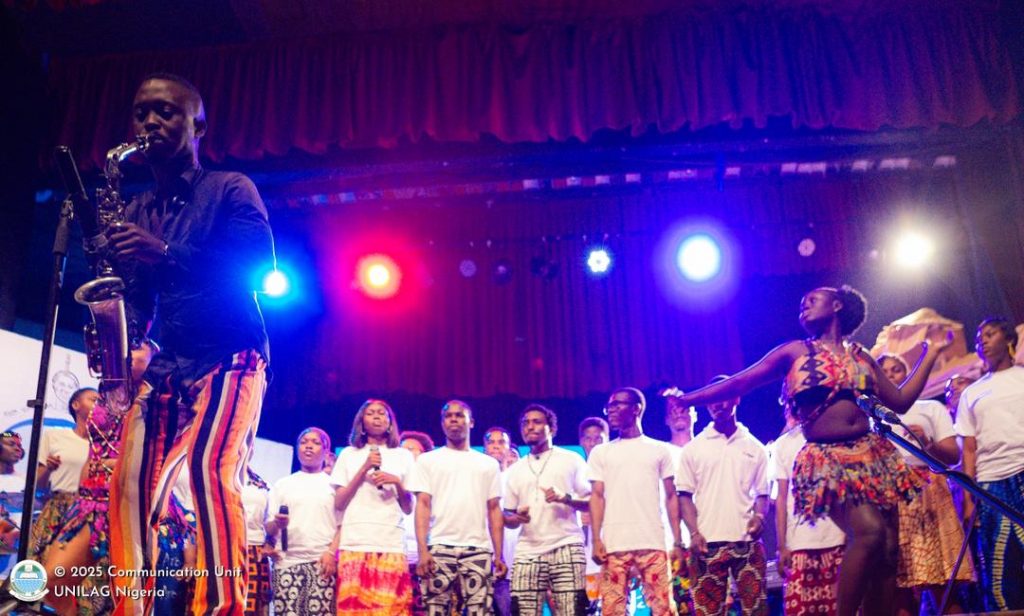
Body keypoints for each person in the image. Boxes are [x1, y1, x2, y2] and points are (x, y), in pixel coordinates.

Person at [669, 285, 949, 616]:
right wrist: (689, 399)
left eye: (812, 300)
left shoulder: (860, 356)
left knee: (888, 551)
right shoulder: (795, 352)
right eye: (803, 303)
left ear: (837, 305)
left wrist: (931, 353)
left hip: (874, 458)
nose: (804, 305)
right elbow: (741, 381)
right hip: (827, 459)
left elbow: (900, 401)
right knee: (870, 533)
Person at [106, 72, 274, 616]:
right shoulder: (135, 209)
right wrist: (121, 336)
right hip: (167, 363)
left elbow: (257, 265)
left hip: (231, 353)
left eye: (167, 112)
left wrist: (163, 251)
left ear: (197, 126)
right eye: (142, 112)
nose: (151, 122)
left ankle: (223, 608)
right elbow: (137, 297)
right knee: (128, 487)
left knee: (210, 471)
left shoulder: (229, 187)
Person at [41, 340, 156, 616]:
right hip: (91, 504)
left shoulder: (159, 397)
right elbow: (95, 449)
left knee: (127, 600)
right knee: (52, 581)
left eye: (138, 347)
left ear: (155, 358)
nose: (128, 350)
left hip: (132, 503)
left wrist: (122, 463)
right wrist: (80, 495)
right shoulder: (107, 391)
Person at [877, 354, 974, 615]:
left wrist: (927, 443)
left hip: (928, 492)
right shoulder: (872, 417)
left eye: (896, 369)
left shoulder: (930, 408)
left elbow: (953, 455)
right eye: (884, 371)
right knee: (898, 587)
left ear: (908, 374)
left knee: (941, 582)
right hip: (889, 497)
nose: (890, 375)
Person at [677, 376, 770, 616]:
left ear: (736, 398)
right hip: (706, 544)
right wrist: (694, 533)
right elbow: (684, 495)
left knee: (756, 612)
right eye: (712, 399)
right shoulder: (693, 449)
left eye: (724, 397)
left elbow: (763, 493)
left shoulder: (755, 447)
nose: (718, 404)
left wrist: (760, 516)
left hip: (746, 543)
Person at [588, 387, 684, 616]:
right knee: (612, 611)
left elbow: (672, 496)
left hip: (652, 541)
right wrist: (596, 540)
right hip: (614, 544)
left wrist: (678, 541)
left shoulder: (660, 450)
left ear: (636, 409)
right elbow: (597, 497)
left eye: (617, 404)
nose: (611, 410)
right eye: (609, 406)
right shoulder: (601, 452)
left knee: (664, 610)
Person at [407, 400, 506, 616]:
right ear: (442, 423)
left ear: (471, 422)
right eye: (448, 416)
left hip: (478, 548)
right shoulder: (427, 461)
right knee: (436, 610)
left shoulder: (488, 464)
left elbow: (494, 510)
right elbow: (422, 505)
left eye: (459, 415)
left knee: (480, 611)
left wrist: (499, 554)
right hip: (439, 547)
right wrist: (423, 550)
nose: (453, 419)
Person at [955, 317, 1024, 610]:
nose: (982, 340)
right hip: (990, 483)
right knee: (1000, 567)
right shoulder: (971, 392)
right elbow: (969, 449)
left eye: (990, 334)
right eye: (979, 337)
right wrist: (968, 497)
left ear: (1008, 339)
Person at [503, 404, 591, 615]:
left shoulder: (571, 459)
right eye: (525, 423)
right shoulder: (515, 470)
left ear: (551, 428)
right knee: (523, 611)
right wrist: (517, 517)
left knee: (572, 611)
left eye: (537, 422)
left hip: (567, 545)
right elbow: (507, 516)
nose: (529, 426)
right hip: (527, 550)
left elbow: (591, 501)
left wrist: (565, 498)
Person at [331, 399, 416, 614]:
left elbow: (408, 508)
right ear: (361, 422)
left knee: (391, 609)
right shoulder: (348, 454)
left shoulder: (403, 456)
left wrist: (397, 482)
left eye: (381, 413)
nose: (377, 417)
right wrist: (364, 468)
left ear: (390, 422)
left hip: (390, 543)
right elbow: (339, 502)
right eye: (370, 413)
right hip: (355, 543)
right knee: (353, 609)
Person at [770, 403, 845, 616]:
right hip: (799, 543)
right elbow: (781, 498)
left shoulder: (833, 433)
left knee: (841, 609)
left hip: (837, 538)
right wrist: (782, 546)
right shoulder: (783, 445)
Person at [266, 427, 340, 616]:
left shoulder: (333, 486)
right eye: (304, 442)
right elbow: (269, 528)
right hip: (286, 563)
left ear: (326, 451)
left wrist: (331, 553)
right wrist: (277, 524)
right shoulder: (283, 485)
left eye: (315, 443)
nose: (308, 446)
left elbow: (343, 526)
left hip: (322, 563)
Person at [29, 388, 94, 600]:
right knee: (38, 568)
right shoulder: (55, 436)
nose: (99, 405)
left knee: (78, 577)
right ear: (76, 405)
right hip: (57, 508)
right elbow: (38, 484)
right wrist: (48, 468)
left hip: (89, 513)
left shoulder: (104, 445)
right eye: (93, 399)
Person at [400, 430, 436, 615]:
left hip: (425, 561)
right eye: (402, 449)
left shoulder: (433, 485)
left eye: (411, 449)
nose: (405, 453)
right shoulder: (392, 484)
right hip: (398, 561)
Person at [483, 425, 517, 616]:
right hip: (482, 557)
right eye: (491, 442)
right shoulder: (478, 479)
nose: (496, 446)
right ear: (484, 447)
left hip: (513, 559)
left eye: (501, 442)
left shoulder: (516, 478)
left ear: (509, 448)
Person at [577, 417, 609, 609]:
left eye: (598, 438)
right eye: (588, 438)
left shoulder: (614, 470)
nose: (593, 443)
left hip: (611, 548)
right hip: (583, 551)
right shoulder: (576, 470)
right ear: (581, 441)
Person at [241, 467, 272, 616]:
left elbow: (270, 519)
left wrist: (270, 542)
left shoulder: (261, 484)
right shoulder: (214, 473)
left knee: (253, 607)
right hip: (222, 548)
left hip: (254, 549)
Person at [0, 431, 26, 578]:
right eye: (11, 444)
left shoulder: (27, 481)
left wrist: (14, 535)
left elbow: (38, 520)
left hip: (15, 565)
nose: (17, 449)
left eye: (19, 446)